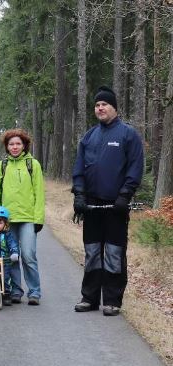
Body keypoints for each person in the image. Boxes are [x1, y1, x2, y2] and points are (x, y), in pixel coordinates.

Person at [72, 86, 144, 316]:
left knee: (113, 253)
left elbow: (135, 167)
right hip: (91, 205)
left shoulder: (127, 134)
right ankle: (89, 298)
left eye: (104, 104)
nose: (100, 108)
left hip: (116, 206)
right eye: (97, 105)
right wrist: (79, 195)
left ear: (114, 107)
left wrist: (125, 196)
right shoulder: (89, 136)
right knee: (92, 252)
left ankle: (112, 300)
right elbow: (79, 169)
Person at [0, 128, 45, 305]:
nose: (14, 147)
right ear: (7, 146)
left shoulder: (32, 164)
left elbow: (39, 193)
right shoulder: (2, 165)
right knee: (11, 256)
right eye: (11, 144)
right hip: (7, 219)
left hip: (28, 218)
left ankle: (34, 292)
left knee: (28, 255)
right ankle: (15, 290)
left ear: (24, 145)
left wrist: (39, 219)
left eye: (18, 144)